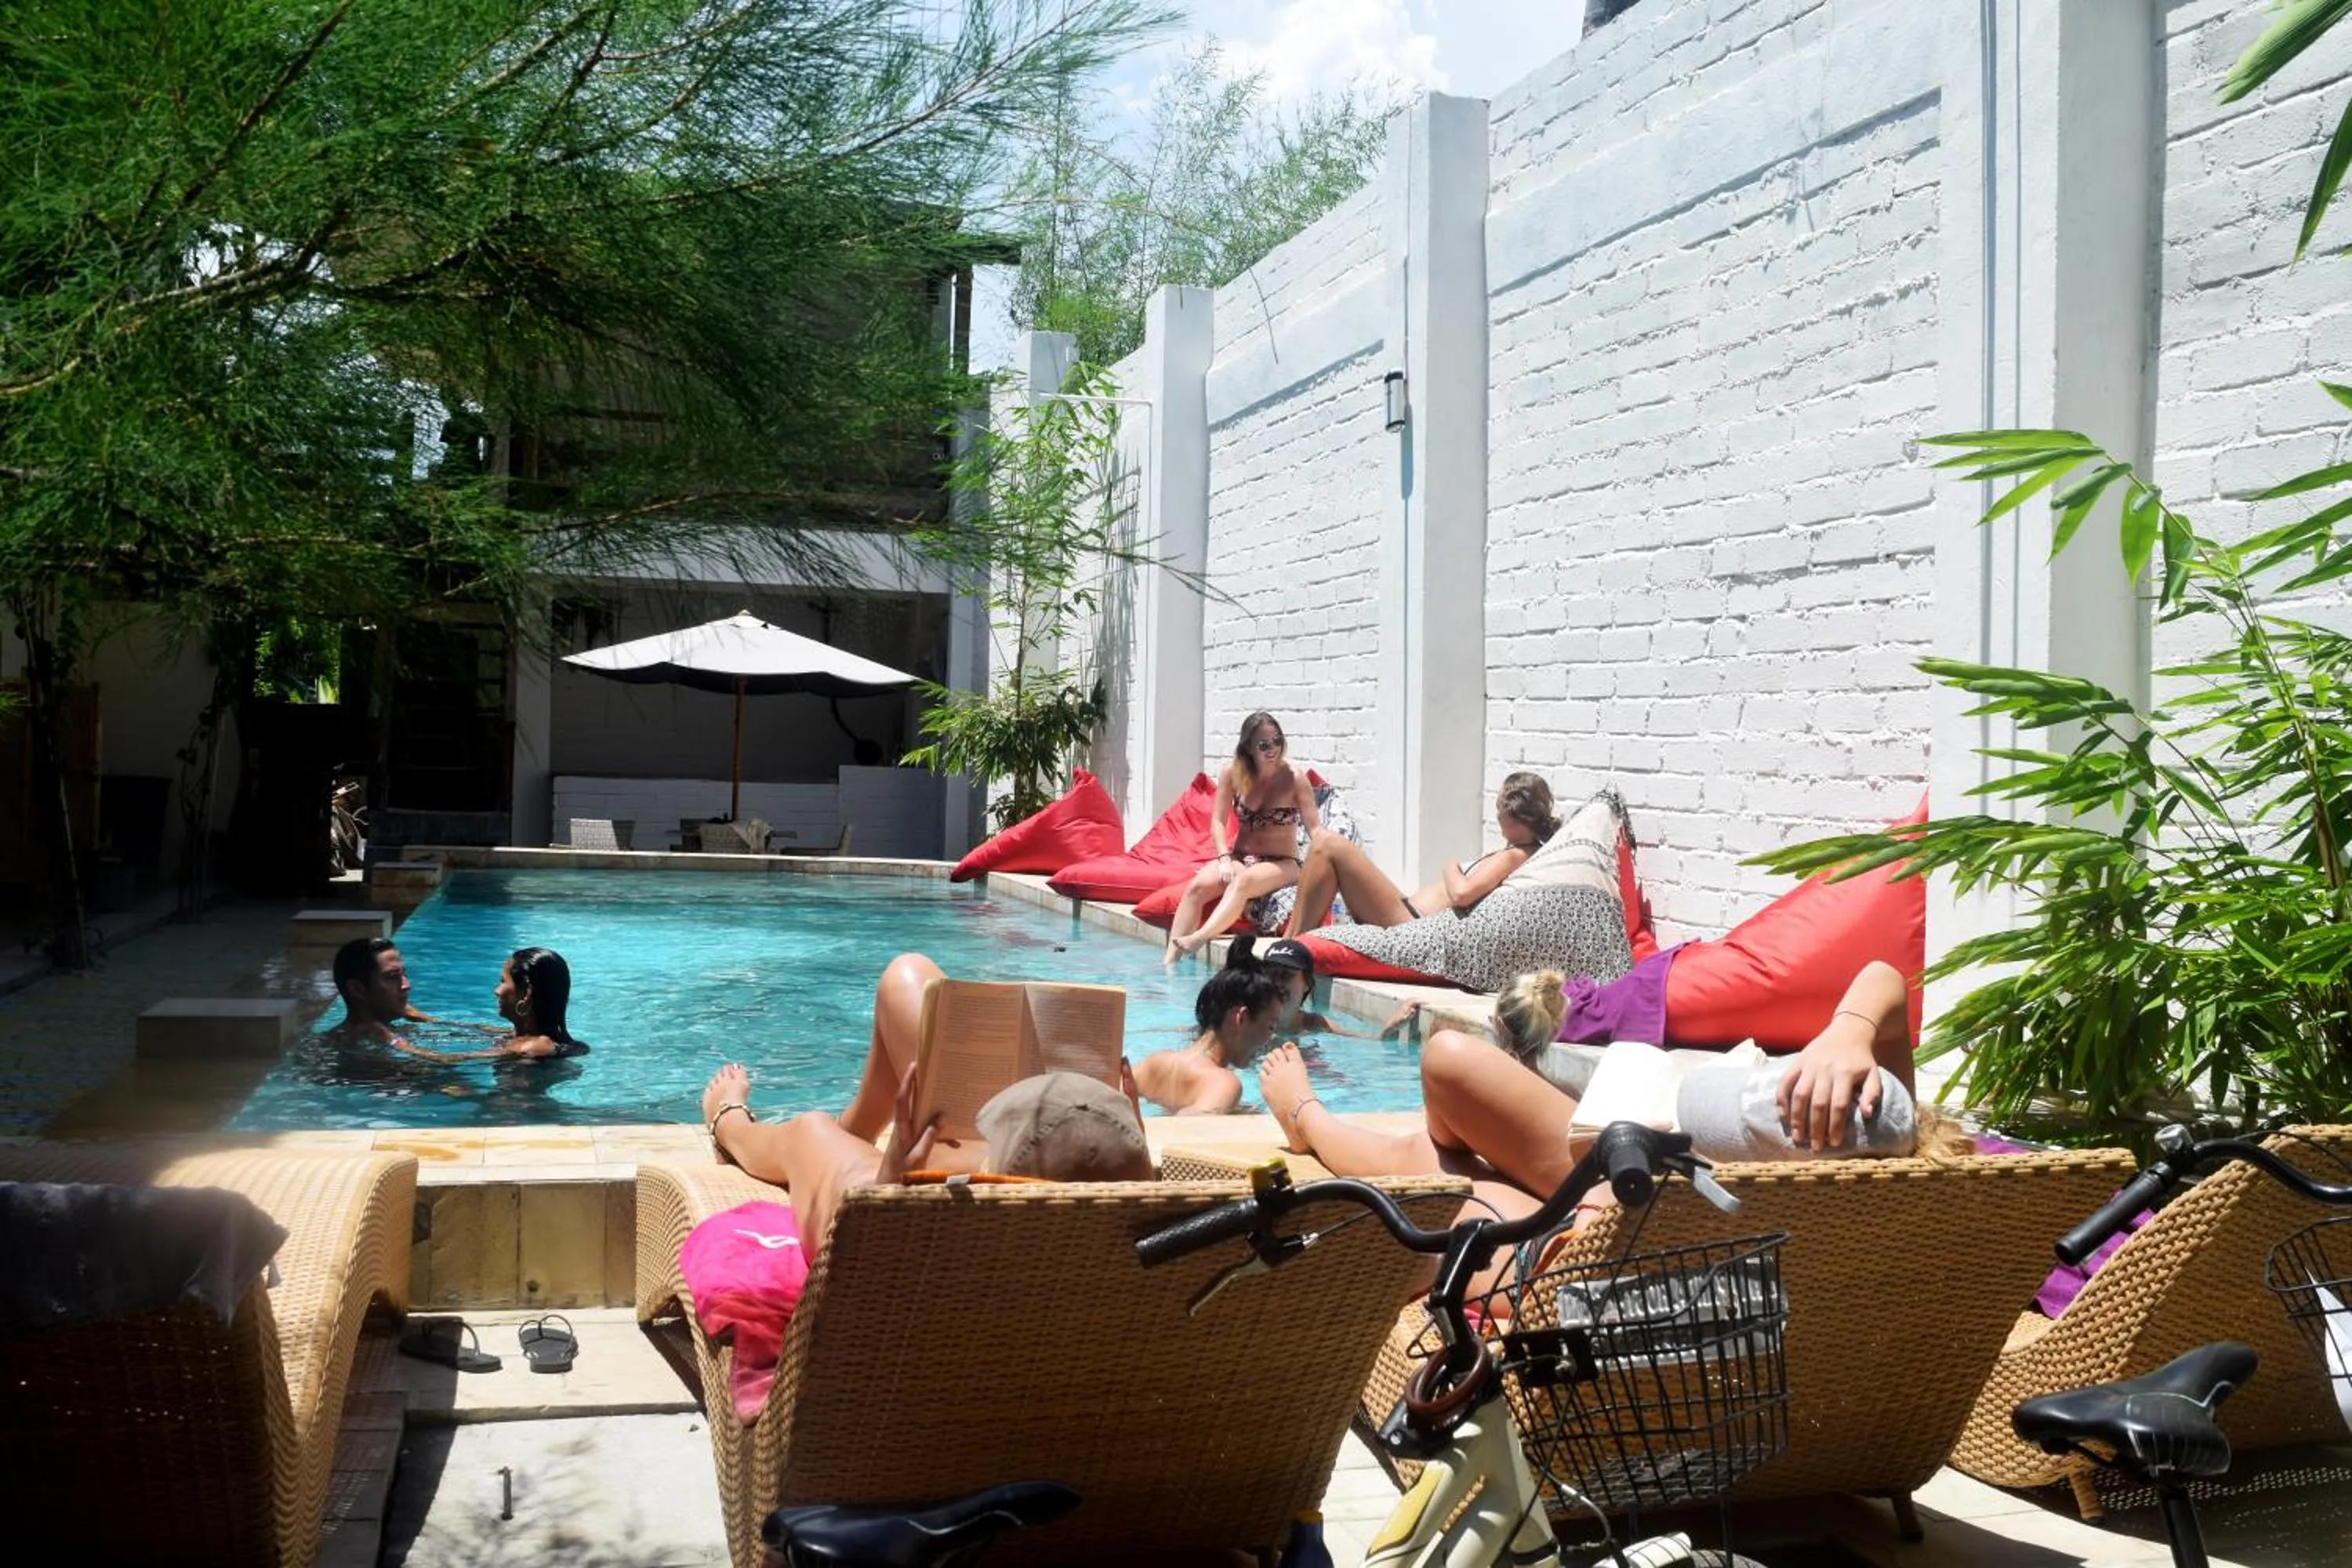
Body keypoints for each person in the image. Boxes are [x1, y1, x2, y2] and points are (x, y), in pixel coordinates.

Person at [1255, 960, 1942, 1204]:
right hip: (1640, 1179)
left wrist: (1853, 1030)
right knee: (1457, 1157)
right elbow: (1885, 978)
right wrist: (1848, 1030)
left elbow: (1449, 1059)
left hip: (1621, 1198)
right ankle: (1312, 1117)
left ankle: (1307, 1117)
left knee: (1446, 1138)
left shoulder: (1852, 1128)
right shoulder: (1889, 1138)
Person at [702, 1059, 1155, 1247]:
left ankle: (729, 1123)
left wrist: (890, 1187)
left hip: (879, 1233)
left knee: (811, 1131)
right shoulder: (1162, 1242)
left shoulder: (934, 1259)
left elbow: (865, 1256)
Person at [1283, 772, 1560, 936]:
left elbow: (1461, 893)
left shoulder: (1516, 854)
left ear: (1511, 812)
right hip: (1407, 912)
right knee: (1326, 848)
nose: (1497, 814)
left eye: (1499, 808)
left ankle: (1290, 948)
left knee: (1329, 845)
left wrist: (1450, 866)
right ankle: (1291, 941)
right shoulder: (1517, 851)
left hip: (1410, 924)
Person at [1166, 712, 1320, 960]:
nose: (1273, 749)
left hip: (1282, 863)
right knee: (1196, 887)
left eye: (1277, 741)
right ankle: (1169, 963)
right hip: (1239, 858)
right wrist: (1224, 858)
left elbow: (1315, 830)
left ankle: (1199, 938)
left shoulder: (1294, 778)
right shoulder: (1232, 774)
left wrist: (1326, 858)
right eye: (1264, 745)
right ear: (1248, 747)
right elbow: (1217, 821)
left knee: (1243, 882)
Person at [324, 936, 556, 1066]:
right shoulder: (332, 1050)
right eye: (393, 977)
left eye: (405, 975)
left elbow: (503, 1041)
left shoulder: (403, 1032)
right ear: (357, 989)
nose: (406, 985)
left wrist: (428, 1021)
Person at [1133, 966, 1287, 1115]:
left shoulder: (1154, 1063)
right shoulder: (1224, 1084)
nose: (1271, 1039)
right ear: (1242, 1018)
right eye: (1271, 1027)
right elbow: (1187, 1129)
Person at [1223, 935, 1337, 1034]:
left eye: (1285, 976)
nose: (1276, 983)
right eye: (1271, 975)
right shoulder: (1243, 1021)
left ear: (1307, 983)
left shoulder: (1316, 1024)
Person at [492, 946, 588, 1059]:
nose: (496, 991)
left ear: (526, 994)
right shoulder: (524, 1035)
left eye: (503, 981)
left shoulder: (538, 1046)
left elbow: (474, 1058)